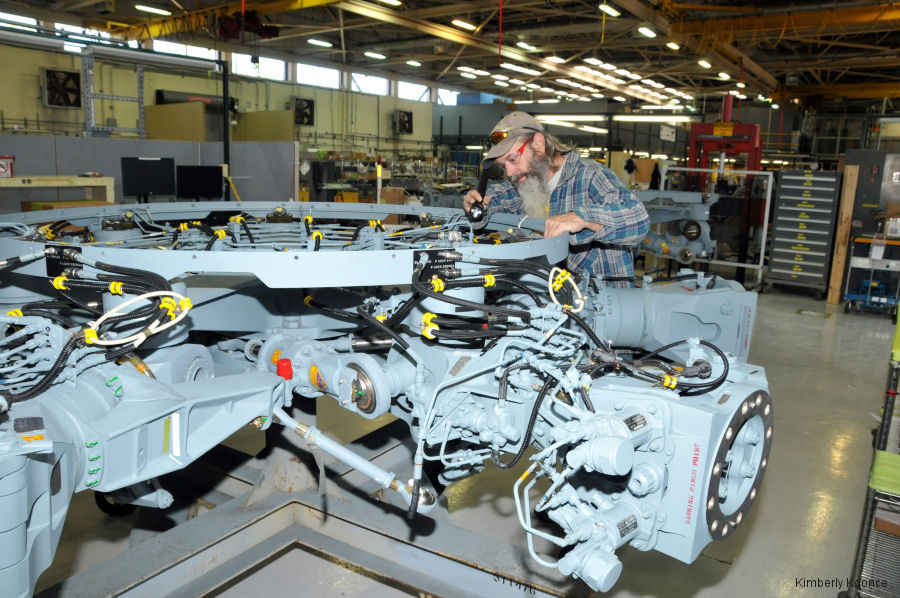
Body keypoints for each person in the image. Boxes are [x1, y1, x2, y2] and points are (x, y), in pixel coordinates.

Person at [463, 111, 650, 287]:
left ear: (538, 143)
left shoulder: (590, 176)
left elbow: (639, 220)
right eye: (503, 166)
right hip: (551, 303)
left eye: (513, 159)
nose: (510, 172)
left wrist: (583, 217)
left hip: (604, 308)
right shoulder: (525, 184)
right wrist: (477, 205)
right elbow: (490, 201)